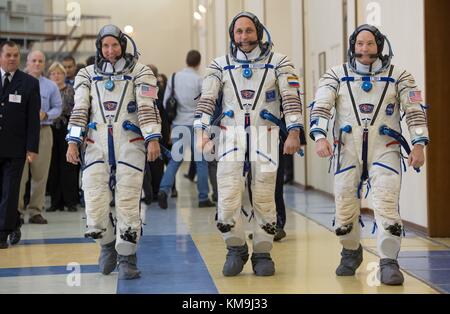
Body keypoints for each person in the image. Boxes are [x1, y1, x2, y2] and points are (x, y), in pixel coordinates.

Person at [310, 24, 428, 285]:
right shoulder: (336, 75)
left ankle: (388, 261)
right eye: (360, 43)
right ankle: (350, 252)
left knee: (386, 203)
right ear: (353, 45)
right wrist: (319, 137)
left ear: (380, 45)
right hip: (347, 150)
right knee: (344, 205)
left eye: (370, 43)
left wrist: (419, 144)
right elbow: (321, 106)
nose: (365, 49)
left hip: (384, 148)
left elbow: (415, 110)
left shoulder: (400, 76)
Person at [195, 12, 303, 276]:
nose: (244, 37)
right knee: (228, 196)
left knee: (265, 198)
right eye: (239, 32)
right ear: (233, 35)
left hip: (265, 137)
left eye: (249, 31)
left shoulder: (279, 63)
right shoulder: (219, 65)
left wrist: (294, 132)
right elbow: (207, 99)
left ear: (259, 32)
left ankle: (263, 253)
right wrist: (201, 132)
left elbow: (291, 99)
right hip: (230, 138)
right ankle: (236, 247)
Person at [66, 25, 161, 280]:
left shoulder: (140, 72)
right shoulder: (86, 75)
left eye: (115, 45)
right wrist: (73, 142)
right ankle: (107, 244)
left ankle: (128, 256)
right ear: (99, 47)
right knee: (94, 204)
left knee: (128, 202)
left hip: (130, 143)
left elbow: (147, 106)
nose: (110, 51)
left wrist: (152, 138)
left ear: (123, 45)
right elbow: (79, 109)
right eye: (105, 46)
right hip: (96, 144)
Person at [157, 50, 215, 209]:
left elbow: (165, 103)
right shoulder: (199, 80)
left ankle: (163, 190)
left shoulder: (174, 78)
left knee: (175, 159)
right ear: (198, 62)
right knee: (201, 162)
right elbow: (206, 104)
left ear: (186, 60)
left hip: (178, 124)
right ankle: (203, 198)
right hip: (197, 125)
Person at [0, 41, 40, 248]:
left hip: (16, 148)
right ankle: (13, 222)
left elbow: (33, 120)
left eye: (16, 55)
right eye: (8, 55)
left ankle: (3, 232)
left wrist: (32, 147)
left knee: (10, 190)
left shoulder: (29, 83)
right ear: (1, 56)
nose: (13, 58)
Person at [18, 50, 62, 225]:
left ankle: (36, 210)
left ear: (44, 64)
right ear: (27, 62)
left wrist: (46, 115)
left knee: (40, 174)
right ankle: (17, 211)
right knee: (19, 175)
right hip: (20, 133)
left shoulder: (50, 86)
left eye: (40, 61)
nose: (37, 63)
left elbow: (58, 107)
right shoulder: (18, 81)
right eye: (33, 60)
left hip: (43, 132)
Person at [47, 62, 79, 212]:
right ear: (49, 75)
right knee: (53, 166)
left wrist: (77, 136)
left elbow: (78, 113)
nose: (56, 76)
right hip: (51, 128)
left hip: (68, 129)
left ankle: (70, 201)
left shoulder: (72, 90)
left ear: (64, 75)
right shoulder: (46, 90)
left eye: (59, 73)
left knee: (69, 165)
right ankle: (55, 201)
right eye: (53, 73)